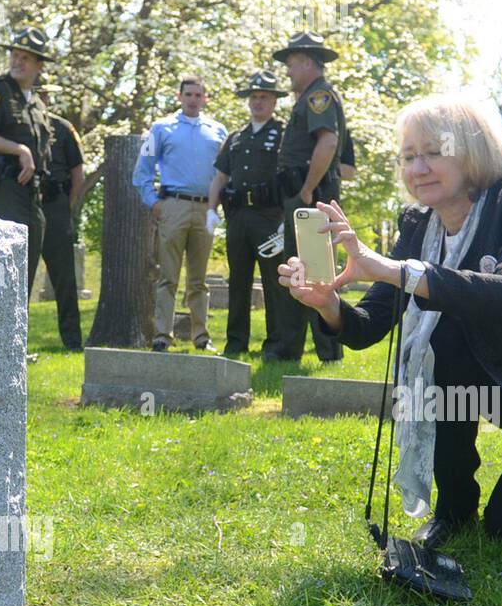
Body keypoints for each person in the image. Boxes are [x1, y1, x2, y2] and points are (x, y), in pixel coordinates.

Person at [279, 95, 502, 547]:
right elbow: (369, 324)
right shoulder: (417, 224)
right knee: (438, 338)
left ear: (470, 151)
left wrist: (396, 269)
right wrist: (326, 303)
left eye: (433, 152)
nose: (417, 168)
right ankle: (455, 508)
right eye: (409, 157)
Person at [269, 31, 348, 362]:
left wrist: (306, 189)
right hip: (302, 196)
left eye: (291, 65)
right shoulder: (308, 97)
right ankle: (290, 350)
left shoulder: (319, 96)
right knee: (299, 270)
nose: (288, 72)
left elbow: (327, 143)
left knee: (316, 271)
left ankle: (329, 350)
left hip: (310, 195)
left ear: (306, 62)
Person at [133, 76, 227, 351]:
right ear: (180, 96)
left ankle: (201, 337)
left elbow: (225, 173)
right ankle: (163, 334)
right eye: (189, 94)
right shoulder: (161, 128)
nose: (193, 99)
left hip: (205, 208)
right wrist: (153, 202)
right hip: (173, 204)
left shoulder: (218, 130)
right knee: (168, 276)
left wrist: (217, 206)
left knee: (198, 279)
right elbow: (143, 170)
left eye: (199, 95)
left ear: (205, 98)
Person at [0, 27, 55, 296]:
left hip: (32, 199)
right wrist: (20, 149)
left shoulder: (37, 104)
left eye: (25, 58)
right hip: (2, 194)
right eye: (14, 55)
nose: (17, 62)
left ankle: (17, 339)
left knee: (23, 280)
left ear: (39, 65)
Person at [208, 69, 289, 358]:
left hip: (269, 217)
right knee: (238, 282)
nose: (258, 102)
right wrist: (210, 210)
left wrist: (287, 218)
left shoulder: (283, 134)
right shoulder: (236, 137)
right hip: (238, 217)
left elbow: (291, 177)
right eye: (253, 97)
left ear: (274, 101)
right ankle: (235, 342)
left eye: (264, 97)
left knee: (274, 282)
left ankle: (276, 344)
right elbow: (220, 176)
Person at [39, 99, 86, 349]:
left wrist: (66, 207)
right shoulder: (13, 128)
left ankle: (72, 341)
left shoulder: (63, 128)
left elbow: (78, 173)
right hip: (24, 204)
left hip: (55, 203)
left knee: (65, 278)